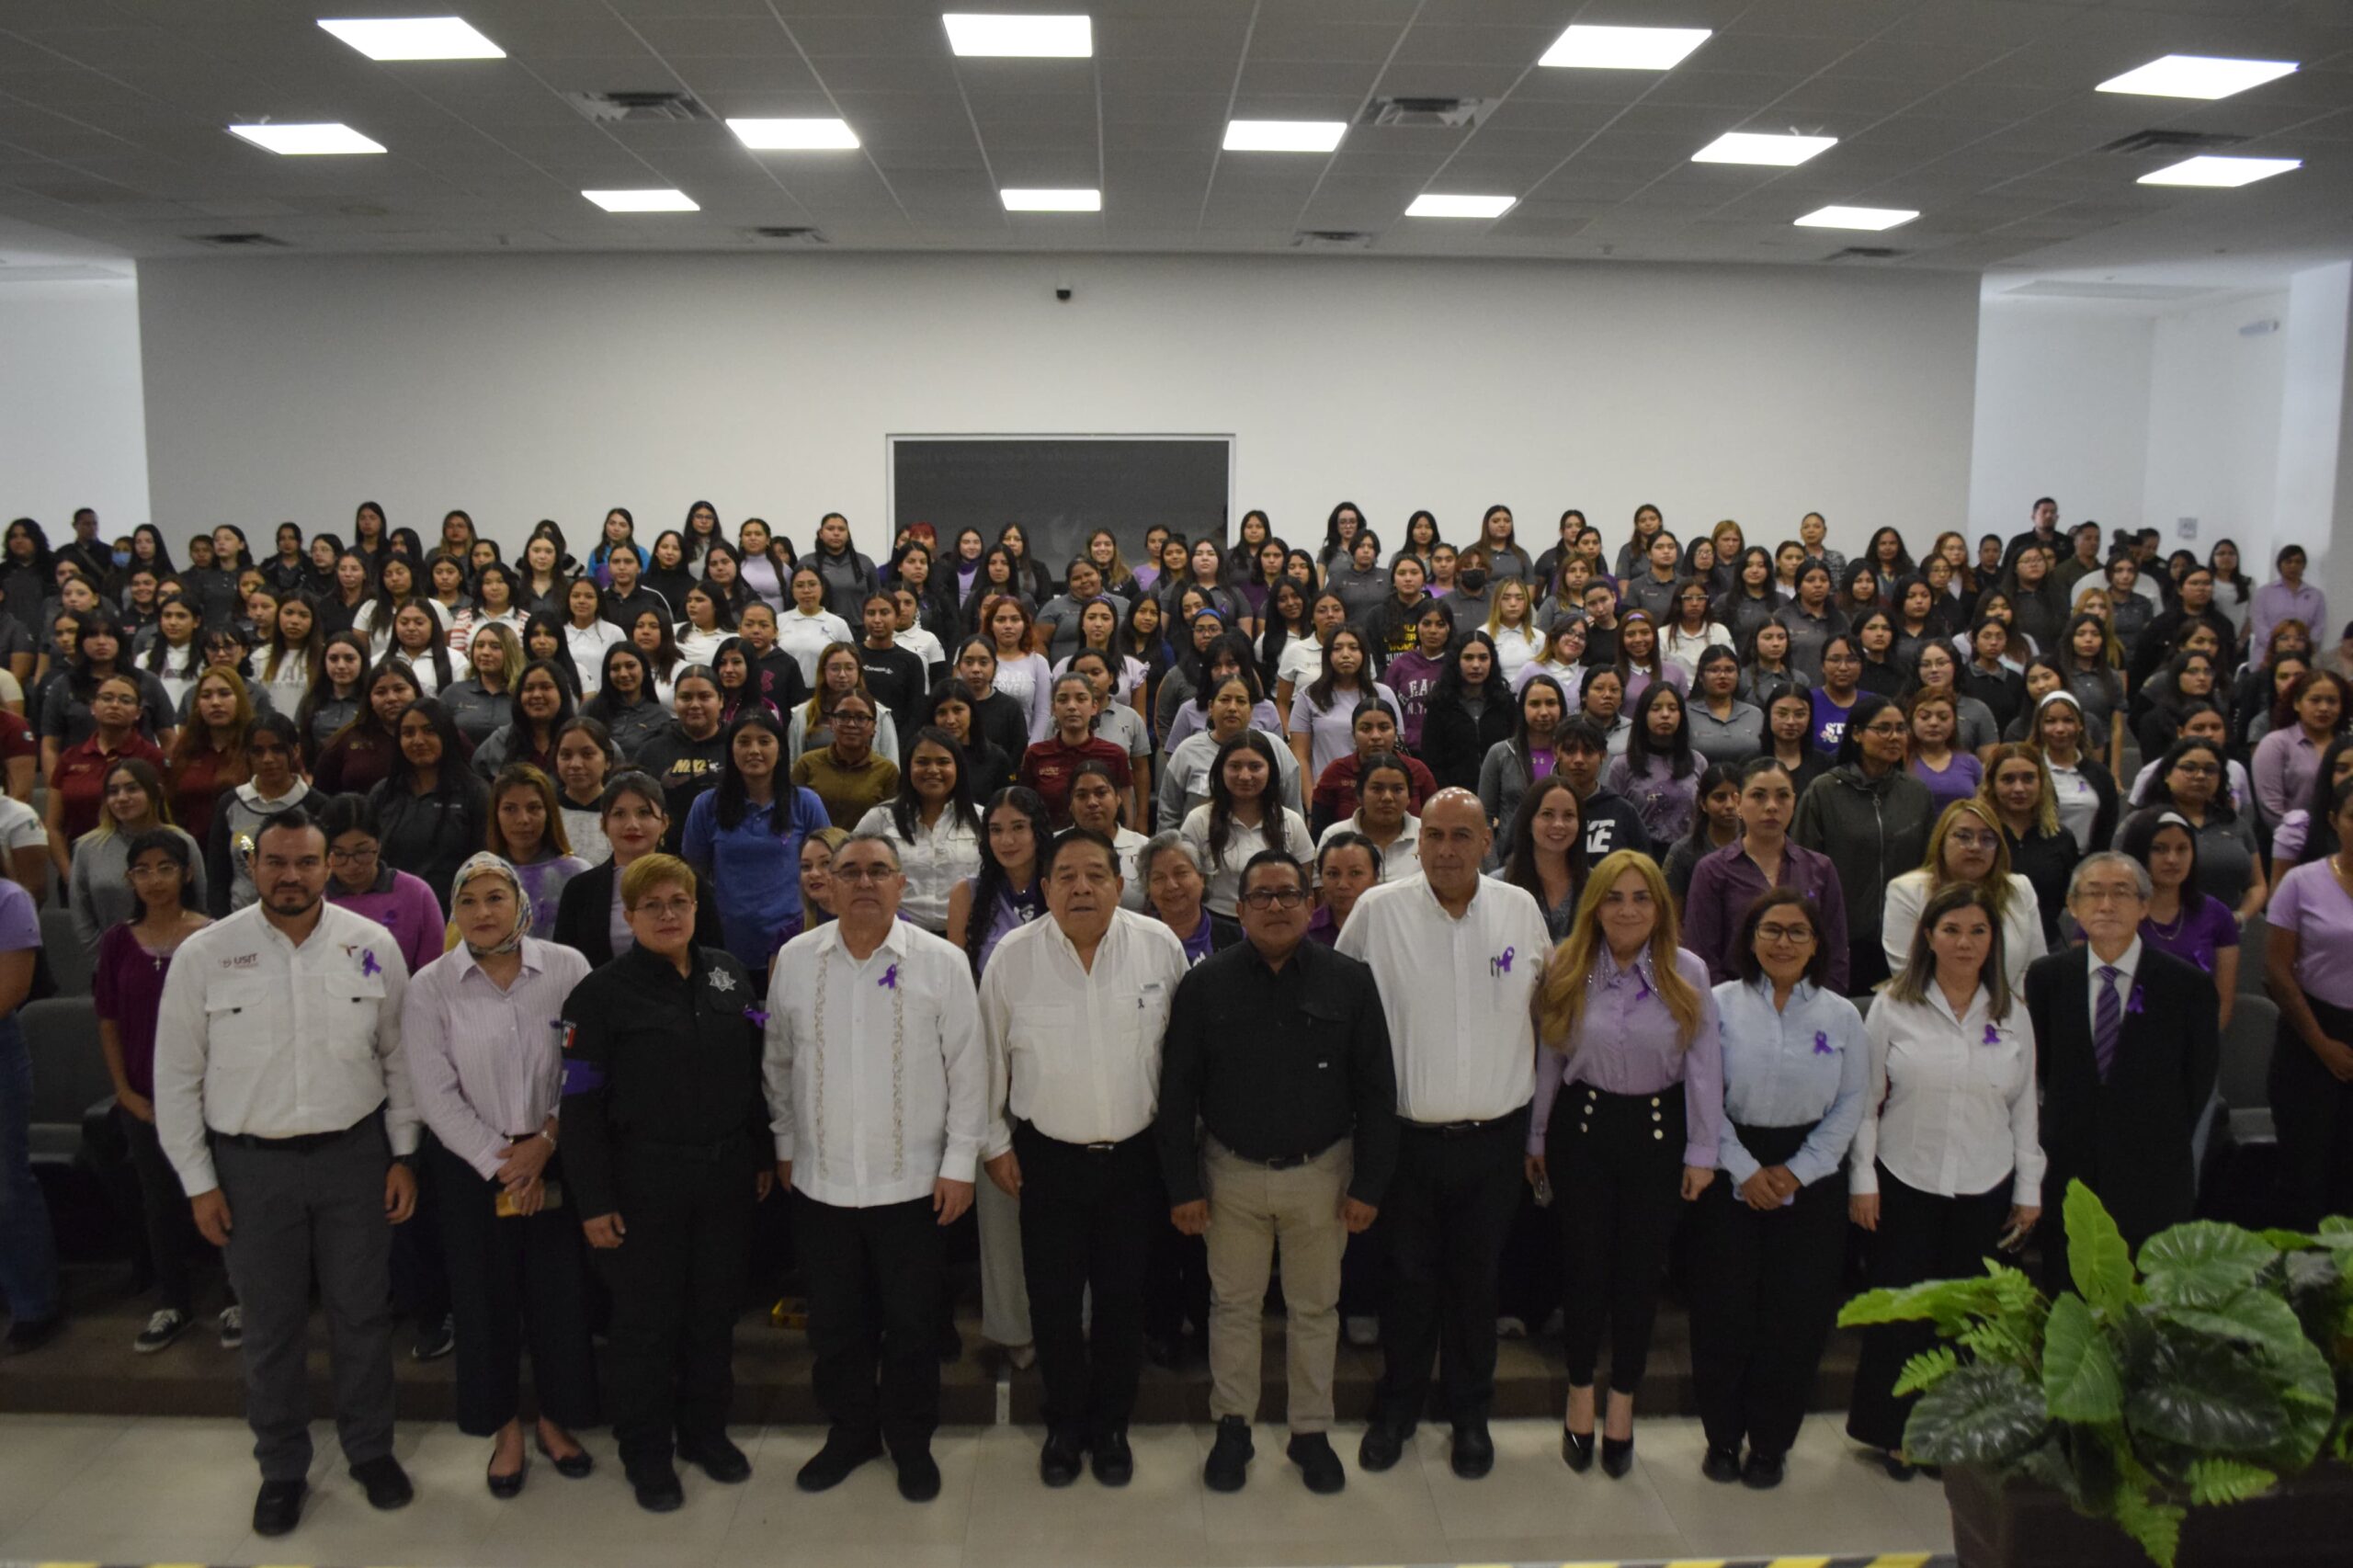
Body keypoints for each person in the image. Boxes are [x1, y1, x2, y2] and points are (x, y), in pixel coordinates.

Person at [151, 809, 419, 1535]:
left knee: (362, 1316)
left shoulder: (372, 946)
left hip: (354, 1160)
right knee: (270, 1328)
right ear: (252, 866)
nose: (291, 876)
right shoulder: (206, 955)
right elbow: (175, 1077)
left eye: (305, 862)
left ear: (329, 866)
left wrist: (403, 1154)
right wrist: (199, 1183)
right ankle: (282, 1468)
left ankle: (371, 1451)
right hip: (250, 1169)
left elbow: (399, 1058)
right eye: (275, 862)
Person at [1156, 851, 1394, 1494]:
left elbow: (1376, 1089)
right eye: (1260, 896)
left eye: (1289, 894)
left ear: (1310, 904)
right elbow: (1176, 1093)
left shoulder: (1350, 981)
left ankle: (1310, 1431)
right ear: (1240, 908)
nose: (1276, 906)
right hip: (1229, 1174)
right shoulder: (1206, 984)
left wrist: (1370, 1184)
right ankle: (1233, 1427)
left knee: (1315, 1308)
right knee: (1233, 1306)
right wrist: (1182, 1187)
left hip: (1323, 1174)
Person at [1338, 790, 1552, 1481]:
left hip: (1495, 1140)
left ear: (1488, 841)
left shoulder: (1519, 909)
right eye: (1434, 835)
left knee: (1476, 1284)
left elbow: (1546, 1012)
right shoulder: (1378, 911)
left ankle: (1470, 1416)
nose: (1447, 850)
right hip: (1406, 1141)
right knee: (1407, 1283)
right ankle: (1397, 1409)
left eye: (1463, 835)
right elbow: (1344, 1014)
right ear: (1417, 840)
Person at [763, 835, 983, 1504]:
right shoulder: (795, 960)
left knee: (913, 1326)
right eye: (849, 871)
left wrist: (960, 1163)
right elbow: (777, 1061)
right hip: (822, 1181)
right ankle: (851, 1432)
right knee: (835, 1326)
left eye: (878, 871)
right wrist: (784, 1144)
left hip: (914, 1184)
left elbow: (969, 1070)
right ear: (826, 883)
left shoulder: (942, 962)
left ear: (900, 883)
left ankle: (910, 1439)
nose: (864, 882)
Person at [558, 853, 769, 1511]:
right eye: (652, 906)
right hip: (642, 1183)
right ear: (629, 916)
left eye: (679, 901)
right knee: (646, 1327)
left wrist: (762, 1154)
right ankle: (646, 1451)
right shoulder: (598, 995)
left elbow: (755, 1069)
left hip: (725, 1177)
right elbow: (579, 1106)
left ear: (696, 907)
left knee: (713, 1315)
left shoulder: (729, 976)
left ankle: (705, 1433)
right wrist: (593, 1201)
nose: (668, 914)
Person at [979, 830, 1190, 1487]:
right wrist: (995, 1144)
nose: (1081, 888)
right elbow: (987, 1061)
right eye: (1065, 875)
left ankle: (1112, 1426)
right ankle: (1065, 1425)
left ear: (1119, 884)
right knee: (1054, 1302)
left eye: (1095, 874)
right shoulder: (1012, 958)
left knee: (1124, 1301)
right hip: (1047, 1161)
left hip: (1134, 1160)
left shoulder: (1159, 947)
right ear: (1044, 888)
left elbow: (1183, 1063)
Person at [403, 855, 597, 1496]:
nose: (483, 912)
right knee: (483, 1303)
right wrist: (503, 1163)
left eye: (495, 898)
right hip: (471, 1168)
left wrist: (545, 1143)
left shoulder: (566, 967)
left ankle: (555, 1421)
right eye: (469, 901)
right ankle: (504, 1432)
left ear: (521, 904)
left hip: (554, 1155)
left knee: (558, 1297)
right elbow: (433, 1092)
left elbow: (585, 1065)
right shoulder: (431, 985)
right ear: (454, 912)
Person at [1529, 850, 1722, 1477]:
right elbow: (1551, 1059)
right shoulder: (1567, 964)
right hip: (1582, 1131)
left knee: (1639, 1277)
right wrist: (1536, 1139)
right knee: (1583, 1270)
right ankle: (1579, 1394)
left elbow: (1704, 1068)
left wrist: (1703, 1153)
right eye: (1614, 897)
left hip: (1658, 1135)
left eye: (1642, 898)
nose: (1628, 910)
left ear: (1660, 908)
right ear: (1595, 905)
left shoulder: (1687, 970)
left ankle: (1623, 1403)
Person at [1846, 882, 2042, 1477]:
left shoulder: (2013, 1013)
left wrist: (2028, 1188)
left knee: (1967, 1317)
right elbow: (1865, 1101)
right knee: (1902, 1312)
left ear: (1994, 940)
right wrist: (1862, 1178)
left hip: (1985, 1181)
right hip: (1905, 1178)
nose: (1965, 942)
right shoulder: (1892, 1006)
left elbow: (2025, 1107)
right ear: (1928, 936)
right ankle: (1894, 1434)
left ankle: (1952, 1433)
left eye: (1978, 931)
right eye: (1951, 930)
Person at [1691, 888, 1864, 1489]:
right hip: (1729, 1165)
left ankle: (1770, 1443)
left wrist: (1797, 1171)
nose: (1783, 942)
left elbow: (1852, 1102)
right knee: (1724, 1311)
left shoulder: (1842, 1016)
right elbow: (1700, 1094)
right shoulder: (1717, 1005)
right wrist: (1744, 1169)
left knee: (1795, 1320)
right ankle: (1721, 1437)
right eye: (1771, 930)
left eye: (1797, 932)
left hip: (1810, 1175)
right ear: (1750, 938)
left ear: (1816, 944)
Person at [2027, 853, 2218, 1293]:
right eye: (2093, 893)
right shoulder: (2047, 978)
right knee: (2068, 1295)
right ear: (2072, 906)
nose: (2107, 905)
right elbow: (2045, 1067)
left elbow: (2198, 1079)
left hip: (2153, 1170)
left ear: (2144, 905)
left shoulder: (2186, 985)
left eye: (2121, 893)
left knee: (2146, 1302)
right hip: (2070, 1165)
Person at [95, 830, 232, 1353]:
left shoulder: (213, 936)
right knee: (160, 1200)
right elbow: (108, 1021)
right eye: (142, 870)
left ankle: (236, 1295)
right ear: (130, 879)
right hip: (144, 1098)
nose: (154, 880)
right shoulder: (117, 941)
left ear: (187, 873)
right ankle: (172, 1301)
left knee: (224, 1191)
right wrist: (124, 1092)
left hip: (211, 1096)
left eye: (165, 868)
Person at [1793, 692, 1930, 994]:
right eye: (1883, 729)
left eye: (1901, 729)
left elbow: (1930, 866)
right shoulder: (1824, 791)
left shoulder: (1917, 794)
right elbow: (1802, 868)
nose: (1894, 737)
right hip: (1841, 938)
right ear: (1856, 734)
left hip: (1906, 937)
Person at [681, 711, 832, 975]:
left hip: (795, 940)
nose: (754, 750)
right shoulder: (706, 805)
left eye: (764, 741)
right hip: (727, 943)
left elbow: (828, 868)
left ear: (780, 749)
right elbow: (694, 874)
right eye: (743, 742)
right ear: (731, 750)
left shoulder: (806, 803)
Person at [2265, 778, 2353, 1227]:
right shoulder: (2302, 882)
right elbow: (2276, 972)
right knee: (2306, 1173)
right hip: (2311, 1035)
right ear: (2335, 821)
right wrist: (2322, 1044)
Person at [551, 771, 722, 966]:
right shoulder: (579, 890)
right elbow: (566, 965)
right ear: (604, 824)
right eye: (619, 814)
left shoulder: (692, 883)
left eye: (644, 813)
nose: (632, 824)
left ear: (664, 823)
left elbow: (713, 957)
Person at [70, 756, 207, 954]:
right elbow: (81, 913)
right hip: (111, 958)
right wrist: (106, 957)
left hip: (178, 955)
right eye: (113, 791)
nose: (122, 798)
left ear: (155, 792)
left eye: (132, 789)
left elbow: (200, 904)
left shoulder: (183, 842)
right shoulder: (87, 847)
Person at [369, 699, 490, 920]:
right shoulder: (383, 793)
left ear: (447, 735)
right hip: (391, 915)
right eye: (408, 733)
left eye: (429, 731)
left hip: (455, 918)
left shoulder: (475, 793)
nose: (418, 740)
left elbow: (483, 864)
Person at [854, 727, 982, 934]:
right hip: (896, 935)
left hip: (966, 937)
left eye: (943, 762)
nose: (933, 770)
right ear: (908, 767)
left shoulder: (982, 820)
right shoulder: (880, 818)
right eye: (922, 762)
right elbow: (849, 867)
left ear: (958, 767)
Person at [319, 792, 446, 979]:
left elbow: (433, 975)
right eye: (339, 854)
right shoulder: (314, 898)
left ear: (378, 844)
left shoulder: (417, 894)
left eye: (362, 852)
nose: (352, 865)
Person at [1983, 744, 2078, 949]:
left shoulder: (2061, 838)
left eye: (2028, 779)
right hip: (1987, 946)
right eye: (2008, 779)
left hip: (2047, 945)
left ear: (2042, 782)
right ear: (1991, 783)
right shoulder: (1979, 836)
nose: (2019, 788)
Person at [790, 690, 899, 828]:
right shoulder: (807, 764)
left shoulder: (887, 771)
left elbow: (890, 826)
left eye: (861, 718)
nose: (851, 724)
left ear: (874, 727)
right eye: (843, 716)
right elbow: (793, 818)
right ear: (831, 723)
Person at [1142, 831, 1242, 962]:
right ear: (1148, 888)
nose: (1171, 886)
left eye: (1180, 873)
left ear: (1202, 877)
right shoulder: (1136, 941)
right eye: (1159, 878)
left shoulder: (1237, 939)